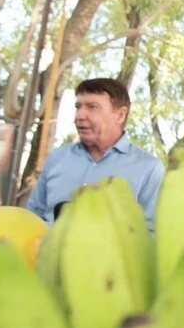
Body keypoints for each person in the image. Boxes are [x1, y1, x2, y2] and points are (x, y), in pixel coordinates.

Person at [26, 77, 164, 229]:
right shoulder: (57, 158)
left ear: (120, 115)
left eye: (92, 107)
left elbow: (152, 234)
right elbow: (32, 219)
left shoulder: (148, 169)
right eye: (78, 107)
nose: (80, 115)